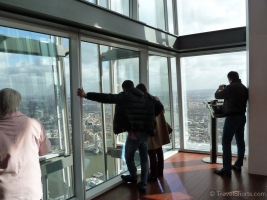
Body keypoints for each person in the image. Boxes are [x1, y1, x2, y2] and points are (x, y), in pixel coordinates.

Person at [77, 80, 163, 192]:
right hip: (146, 132)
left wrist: (86, 95)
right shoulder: (146, 96)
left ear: (124, 88)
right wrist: (149, 117)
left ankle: (133, 177)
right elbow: (159, 106)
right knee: (144, 158)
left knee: (128, 156)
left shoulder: (126, 95)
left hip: (135, 133)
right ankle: (143, 184)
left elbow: (108, 98)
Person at [0, 88, 51, 199]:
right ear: (18, 103)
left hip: (5, 193)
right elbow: (44, 150)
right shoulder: (35, 124)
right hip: (32, 191)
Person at [213, 71, 248, 176]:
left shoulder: (231, 87)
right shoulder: (243, 87)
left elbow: (217, 95)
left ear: (230, 78)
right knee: (240, 141)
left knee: (226, 142)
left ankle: (226, 169)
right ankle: (238, 164)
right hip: (242, 116)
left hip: (232, 117)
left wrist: (220, 88)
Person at [136, 83, 170, 181]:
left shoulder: (145, 101)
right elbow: (162, 112)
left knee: (151, 152)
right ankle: (160, 171)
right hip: (159, 129)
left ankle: (153, 174)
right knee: (159, 150)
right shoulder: (155, 98)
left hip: (151, 129)